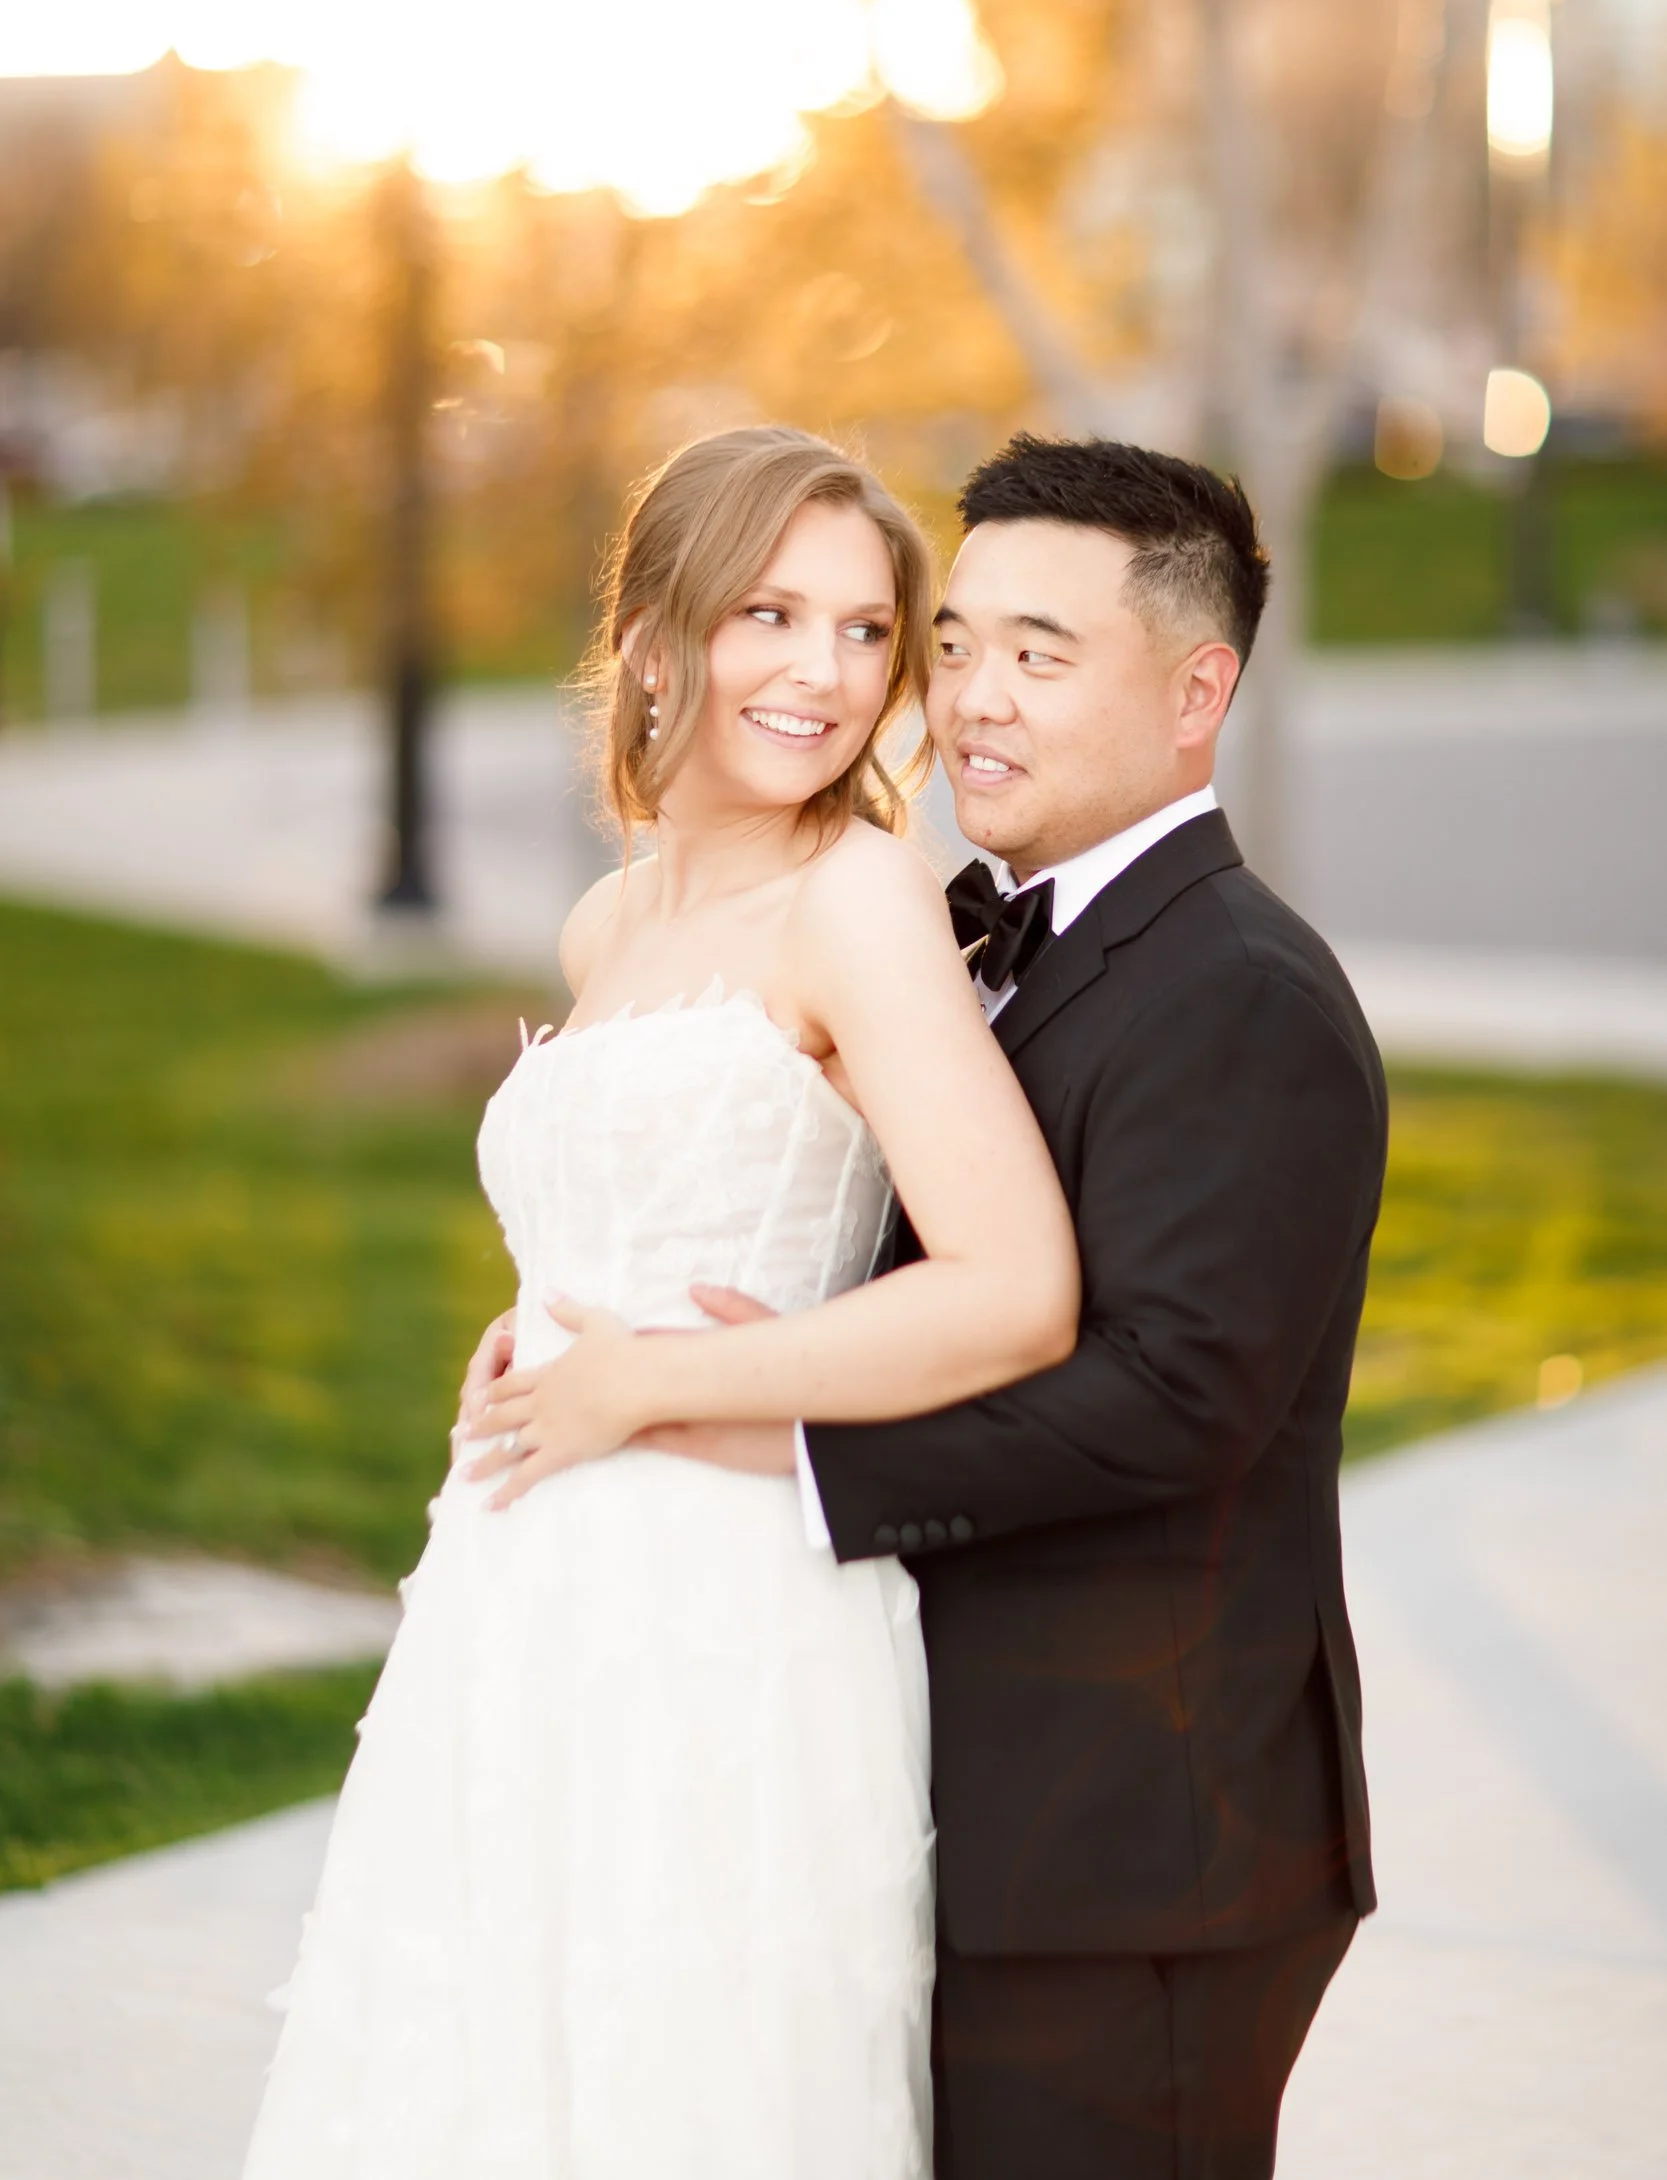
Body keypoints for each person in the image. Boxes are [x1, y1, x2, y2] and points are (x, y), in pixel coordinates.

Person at [486, 435, 1387, 2180]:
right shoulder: (983, 936)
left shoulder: (1244, 995)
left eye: (1040, 657)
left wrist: (767, 1431)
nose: (968, 698)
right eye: (955, 642)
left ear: (1198, 692)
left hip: (1138, 1855)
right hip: (941, 1798)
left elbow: (1172, 1399)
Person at [240, 425, 1077, 2180]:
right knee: (485, 2066)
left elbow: (1015, 1289)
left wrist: (666, 1390)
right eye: (769, 614)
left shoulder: (854, 899)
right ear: (652, 635)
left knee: (680, 2083)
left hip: (724, 1601)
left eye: (865, 631)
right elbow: (636, 1201)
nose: (824, 673)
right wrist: (546, 1326)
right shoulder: (605, 923)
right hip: (516, 1590)